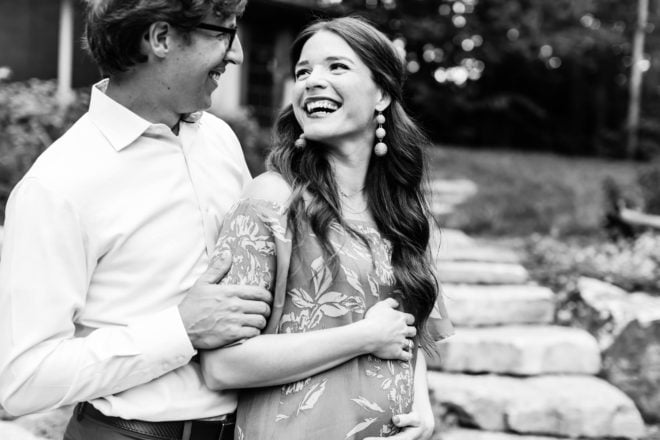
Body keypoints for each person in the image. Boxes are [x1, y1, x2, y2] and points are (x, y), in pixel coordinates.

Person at [0, 2, 423, 440]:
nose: (237, 53)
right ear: (162, 38)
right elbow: (23, 380)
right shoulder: (58, 186)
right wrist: (179, 330)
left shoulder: (218, 141)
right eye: (222, 33)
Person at [200, 16, 454, 440]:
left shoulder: (402, 213)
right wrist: (363, 336)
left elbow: (410, 328)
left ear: (382, 94)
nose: (312, 81)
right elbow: (222, 365)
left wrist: (422, 407)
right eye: (303, 71)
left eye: (336, 67)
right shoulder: (271, 201)